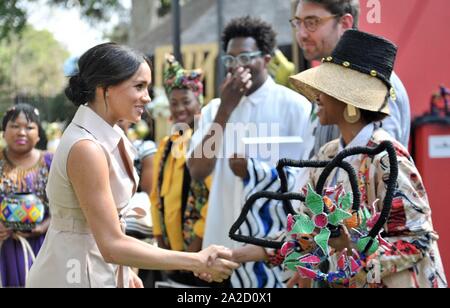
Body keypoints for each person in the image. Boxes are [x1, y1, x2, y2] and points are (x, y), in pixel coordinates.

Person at [232, 30, 447, 288]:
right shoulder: (328, 154)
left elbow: (417, 240)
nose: (316, 96)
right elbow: (307, 229)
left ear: (351, 104)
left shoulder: (386, 158)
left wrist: (354, 247)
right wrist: (236, 255)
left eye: (325, 89)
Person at [26, 43, 238, 288]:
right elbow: (112, 244)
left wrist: (125, 271)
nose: (147, 97)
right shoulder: (87, 148)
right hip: (73, 274)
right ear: (105, 88)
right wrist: (196, 260)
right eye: (139, 86)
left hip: (98, 269)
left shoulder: (110, 134)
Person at [187, 16, 312, 288]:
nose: (236, 67)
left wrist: (254, 171)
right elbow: (197, 170)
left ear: (266, 59)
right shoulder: (213, 110)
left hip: (273, 247)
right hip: (221, 249)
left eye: (245, 57)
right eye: (229, 60)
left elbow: (308, 179)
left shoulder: (294, 106)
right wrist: (224, 110)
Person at [292, 0, 411, 155]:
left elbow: (383, 163)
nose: (302, 34)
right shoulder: (327, 83)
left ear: (345, 23)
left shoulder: (373, 83)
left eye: (312, 22)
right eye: (297, 23)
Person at [149, 55, 215, 287]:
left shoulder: (207, 143)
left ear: (199, 100)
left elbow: (212, 199)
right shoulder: (167, 144)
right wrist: (160, 238)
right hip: (172, 255)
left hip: (201, 253)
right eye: (173, 103)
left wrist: (196, 244)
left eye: (185, 101)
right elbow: (157, 196)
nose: (179, 109)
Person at [0, 104, 53, 288]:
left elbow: (67, 207)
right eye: (14, 126)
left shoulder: (51, 163)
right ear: (3, 132)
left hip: (43, 246)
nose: (22, 132)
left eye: (29, 127)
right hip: (3, 247)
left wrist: (43, 227)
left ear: (38, 134)